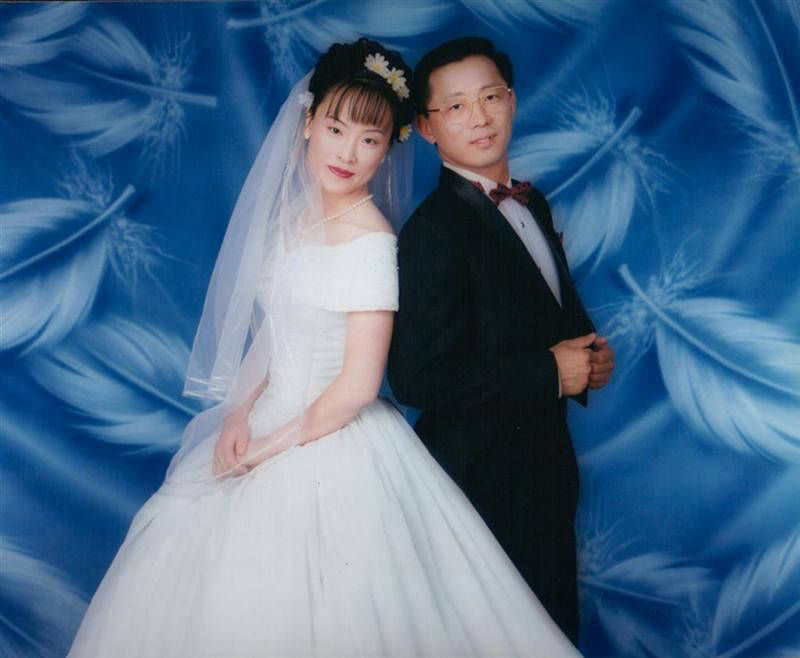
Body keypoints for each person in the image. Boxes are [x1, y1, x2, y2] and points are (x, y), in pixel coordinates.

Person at [68, 38, 580, 657]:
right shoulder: (292, 220)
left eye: (369, 139)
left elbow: (359, 386)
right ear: (309, 123)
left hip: (336, 436)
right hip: (269, 418)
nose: (347, 153)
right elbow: (275, 336)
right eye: (336, 130)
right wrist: (238, 414)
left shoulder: (373, 241)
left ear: (389, 148)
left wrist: (266, 450)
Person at [388, 37, 615, 644]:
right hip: (478, 483)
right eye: (456, 106)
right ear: (427, 128)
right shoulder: (432, 231)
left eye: (490, 97)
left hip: (545, 473)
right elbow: (414, 377)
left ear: (511, 102)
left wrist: (590, 355)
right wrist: (548, 372)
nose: (479, 117)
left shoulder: (532, 202)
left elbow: (548, 310)